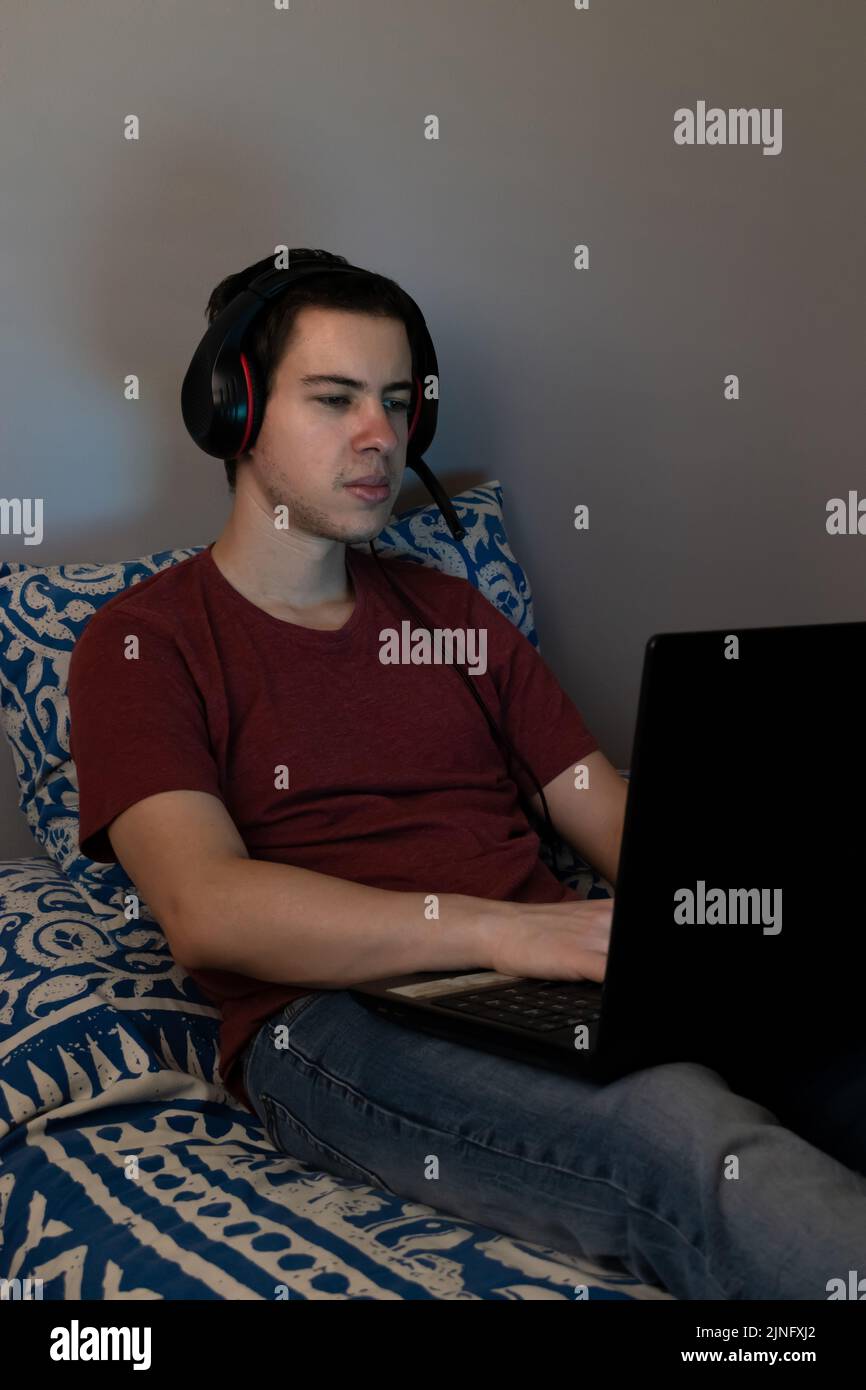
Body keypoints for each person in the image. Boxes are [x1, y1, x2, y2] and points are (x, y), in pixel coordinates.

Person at [69, 252, 866, 1301]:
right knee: (680, 1131)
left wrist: (761, 911)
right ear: (236, 412)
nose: (379, 437)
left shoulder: (451, 617)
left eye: (396, 403)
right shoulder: (143, 641)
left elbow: (615, 821)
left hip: (544, 981)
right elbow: (205, 908)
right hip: (334, 1019)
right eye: (335, 399)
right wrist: (505, 930)